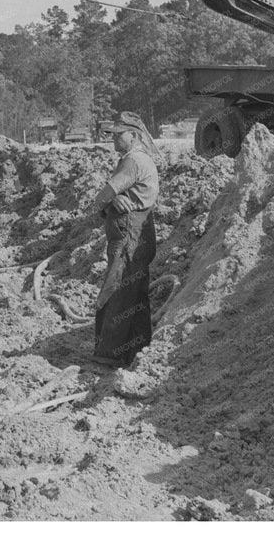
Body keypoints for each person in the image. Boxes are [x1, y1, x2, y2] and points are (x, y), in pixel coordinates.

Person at [90, 110, 160, 366]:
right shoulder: (141, 159)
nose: (113, 140)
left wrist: (107, 202)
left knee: (116, 289)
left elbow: (102, 196)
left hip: (130, 233)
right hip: (139, 230)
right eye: (113, 134)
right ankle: (136, 349)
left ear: (134, 135)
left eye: (119, 135)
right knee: (134, 292)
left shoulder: (133, 162)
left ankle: (110, 354)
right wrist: (113, 202)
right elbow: (111, 197)